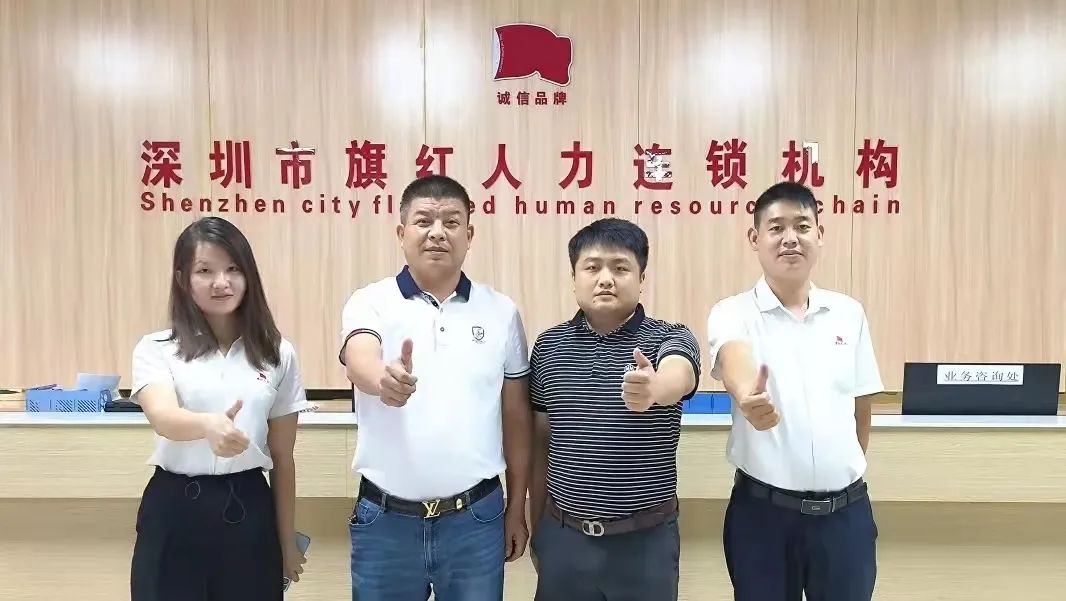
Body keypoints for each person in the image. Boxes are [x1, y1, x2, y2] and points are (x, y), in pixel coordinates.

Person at [338, 174, 532, 601]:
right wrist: (382, 380)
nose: (437, 232)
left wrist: (517, 507)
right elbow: (358, 356)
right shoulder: (370, 301)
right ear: (401, 233)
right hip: (385, 521)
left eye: (451, 222)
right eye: (424, 221)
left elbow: (516, 418)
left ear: (469, 235)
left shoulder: (501, 312)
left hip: (476, 519)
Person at [706, 182, 885, 601]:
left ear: (819, 235)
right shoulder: (732, 312)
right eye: (776, 228)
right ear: (755, 239)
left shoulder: (848, 313)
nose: (790, 238)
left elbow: (861, 407)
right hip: (763, 518)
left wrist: (839, 475)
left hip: (845, 517)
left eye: (802, 226)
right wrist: (749, 398)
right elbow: (734, 358)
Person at [128, 216, 311, 601]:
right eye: (205, 271)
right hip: (174, 510)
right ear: (183, 279)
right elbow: (163, 417)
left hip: (249, 507)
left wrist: (286, 542)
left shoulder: (278, 352)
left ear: (249, 276)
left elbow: (283, 458)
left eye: (233, 269)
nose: (221, 282)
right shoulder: (157, 348)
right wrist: (207, 426)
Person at [527, 217, 701, 601]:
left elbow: (681, 373)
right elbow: (542, 445)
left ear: (641, 279)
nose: (606, 279)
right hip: (564, 537)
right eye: (592, 267)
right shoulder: (548, 347)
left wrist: (655, 388)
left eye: (620, 268)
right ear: (574, 278)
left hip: (645, 543)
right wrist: (538, 527)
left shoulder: (668, 336)